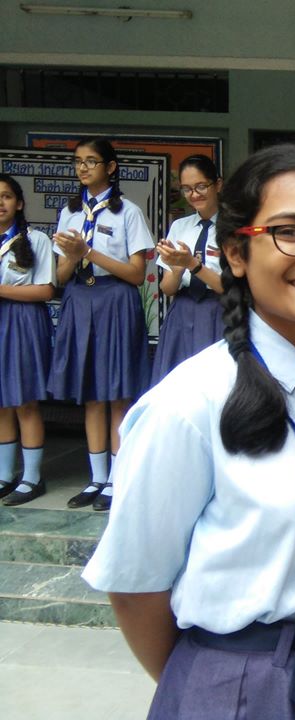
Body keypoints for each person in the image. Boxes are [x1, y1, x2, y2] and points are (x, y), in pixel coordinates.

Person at [82, 144, 295, 720]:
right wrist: (212, 685)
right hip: (235, 683)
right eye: (291, 232)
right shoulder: (186, 406)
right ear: (236, 252)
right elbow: (137, 585)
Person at [48, 137, 154, 512]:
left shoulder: (127, 212)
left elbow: (137, 274)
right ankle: (96, 478)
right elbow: (59, 275)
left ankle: (117, 478)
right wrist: (72, 259)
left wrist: (89, 252)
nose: (83, 168)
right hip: (80, 299)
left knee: (117, 394)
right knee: (91, 393)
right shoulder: (70, 212)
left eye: (92, 161)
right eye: (78, 161)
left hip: (115, 300)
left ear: (110, 167)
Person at [0, 175, 55, 506]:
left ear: (19, 203)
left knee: (24, 400)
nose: (0, 203)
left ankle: (33, 476)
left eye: (6, 196)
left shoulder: (35, 240)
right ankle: (5, 474)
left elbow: (47, 290)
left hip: (22, 322)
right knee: (1, 402)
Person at [151, 155, 224, 384]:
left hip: (219, 312)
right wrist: (178, 268)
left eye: (201, 186)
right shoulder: (180, 226)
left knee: (215, 386)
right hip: (182, 312)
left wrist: (192, 264)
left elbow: (232, 287)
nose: (194, 194)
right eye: (186, 189)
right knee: (178, 387)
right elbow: (167, 288)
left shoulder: (234, 227)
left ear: (218, 184)